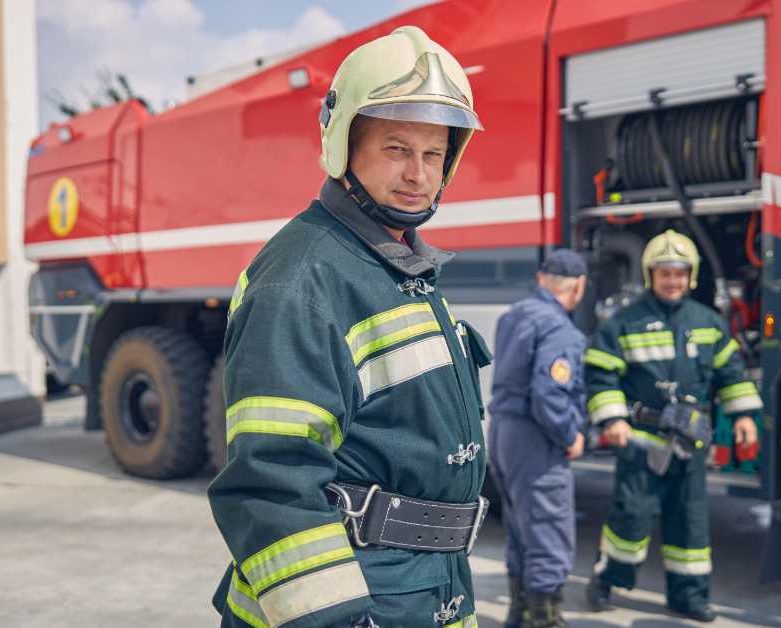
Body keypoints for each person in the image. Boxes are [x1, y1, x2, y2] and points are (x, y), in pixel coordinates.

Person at [208, 26, 491, 628]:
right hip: (358, 599)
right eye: (396, 149)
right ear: (343, 145)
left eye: (434, 154)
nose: (418, 174)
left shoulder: (400, 268)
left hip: (425, 589)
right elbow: (272, 483)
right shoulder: (301, 281)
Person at [581, 230, 760, 622]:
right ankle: (607, 580)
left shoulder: (708, 322)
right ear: (651, 275)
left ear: (691, 276)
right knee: (631, 517)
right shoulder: (623, 322)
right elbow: (600, 373)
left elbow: (731, 373)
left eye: (679, 273)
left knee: (690, 523)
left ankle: (689, 597)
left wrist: (744, 416)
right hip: (642, 441)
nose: (672, 280)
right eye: (665, 273)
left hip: (690, 444)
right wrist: (612, 419)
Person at [488, 249, 589, 628]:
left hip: (503, 431)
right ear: (579, 286)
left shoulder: (513, 315)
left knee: (519, 528)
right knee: (548, 530)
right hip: (535, 436)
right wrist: (569, 434)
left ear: (541, 279)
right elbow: (549, 394)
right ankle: (545, 619)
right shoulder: (559, 328)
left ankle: (518, 614)